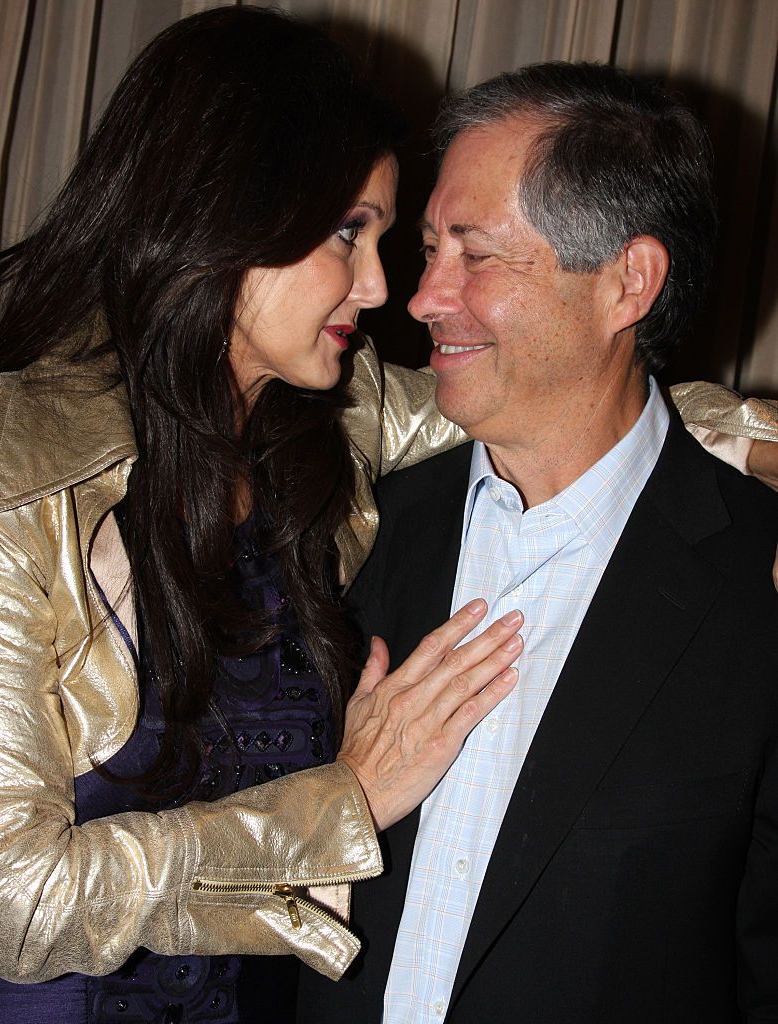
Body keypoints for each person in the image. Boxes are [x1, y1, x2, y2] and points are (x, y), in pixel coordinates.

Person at [0, 8, 530, 1023]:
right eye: (345, 233)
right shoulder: (4, 473)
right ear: (221, 214)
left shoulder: (331, 416)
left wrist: (749, 436)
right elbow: (8, 898)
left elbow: (540, 393)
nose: (380, 285)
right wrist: (345, 802)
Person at [297, 62, 778, 1023]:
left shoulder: (755, 587)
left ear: (627, 283)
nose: (421, 297)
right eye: (430, 247)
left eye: (475, 256)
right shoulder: (353, 527)